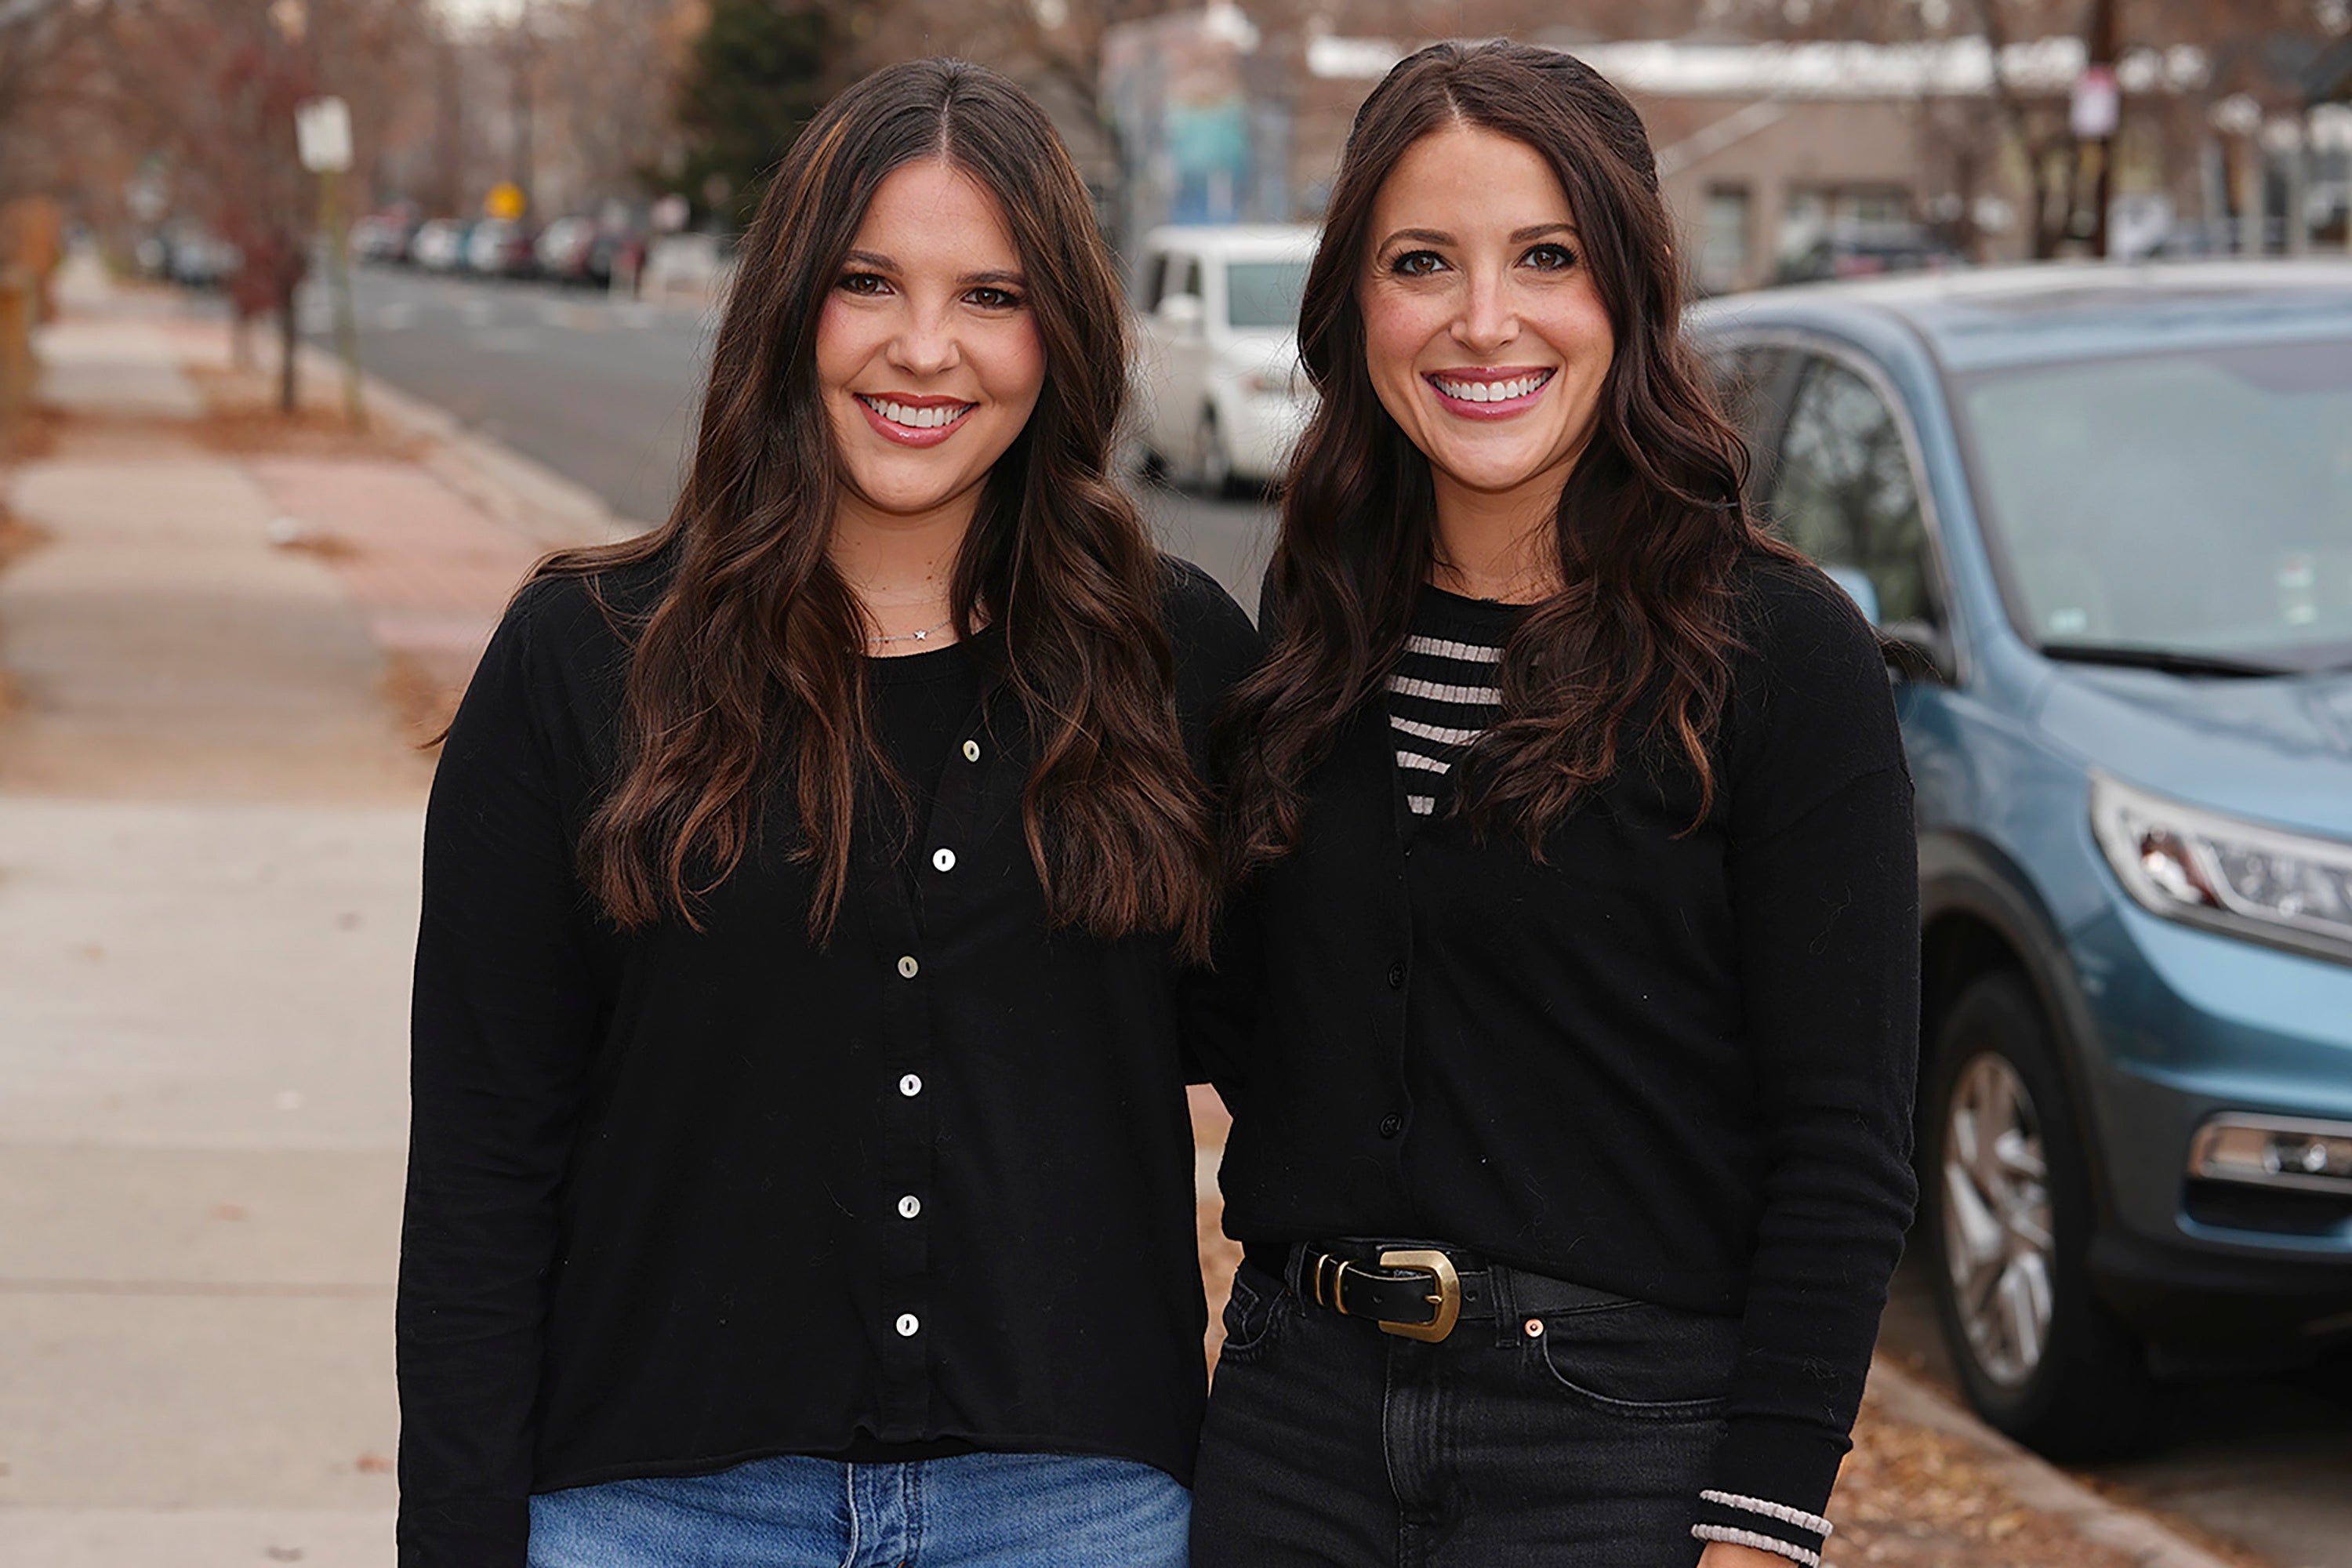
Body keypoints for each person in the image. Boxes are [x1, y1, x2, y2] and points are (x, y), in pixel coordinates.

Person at [396, 58, 1257, 1568]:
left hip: (1080, 1515)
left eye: (992, 296)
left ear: (1062, 333)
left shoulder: (1170, 663)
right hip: (656, 1514)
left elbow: (1325, 1099)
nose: (926, 350)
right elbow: (482, 1164)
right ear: (790, 305)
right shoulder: (583, 662)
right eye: (871, 282)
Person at [1191, 41, 1918, 1568]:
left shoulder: (1780, 652)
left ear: (1632, 294)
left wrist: (1762, 1520)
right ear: (1356, 305)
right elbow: (1255, 1026)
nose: (1483, 318)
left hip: (1617, 1451)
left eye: (1546, 257)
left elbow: (1845, 1145)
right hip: (1292, 1428)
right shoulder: (1313, 624)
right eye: (1421, 262)